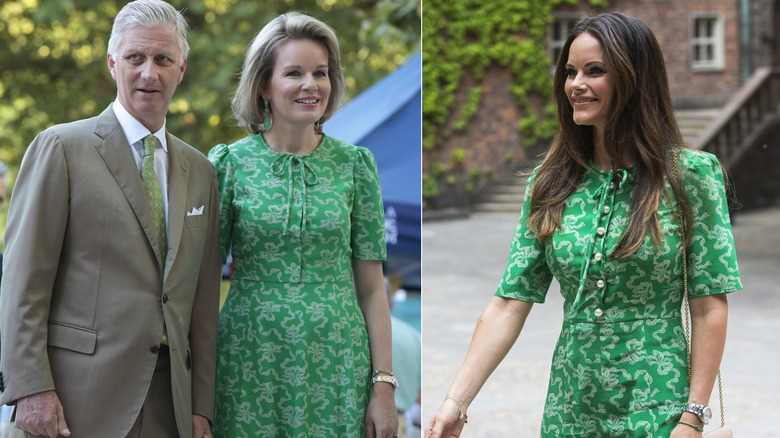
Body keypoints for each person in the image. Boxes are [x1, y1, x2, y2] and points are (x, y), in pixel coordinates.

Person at [426, 12, 741, 438]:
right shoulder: (550, 182)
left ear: (635, 78)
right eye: (570, 71)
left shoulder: (691, 176)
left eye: (595, 71)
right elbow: (508, 302)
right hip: (569, 409)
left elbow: (709, 306)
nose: (575, 84)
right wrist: (455, 401)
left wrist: (693, 416)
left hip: (659, 407)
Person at [0, 1, 222, 437]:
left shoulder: (201, 172)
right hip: (75, 400)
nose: (148, 72)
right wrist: (29, 388)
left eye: (163, 59)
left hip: (169, 407)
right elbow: (22, 281)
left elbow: (202, 304)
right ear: (111, 63)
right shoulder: (60, 148)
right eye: (135, 58)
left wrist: (201, 407)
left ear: (181, 69)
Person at [208, 11, 397, 438]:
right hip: (247, 360)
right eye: (294, 73)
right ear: (263, 85)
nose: (311, 84)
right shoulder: (229, 165)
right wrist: (198, 385)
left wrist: (383, 387)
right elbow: (201, 285)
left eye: (321, 73)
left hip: (338, 364)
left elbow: (372, 289)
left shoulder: (356, 165)